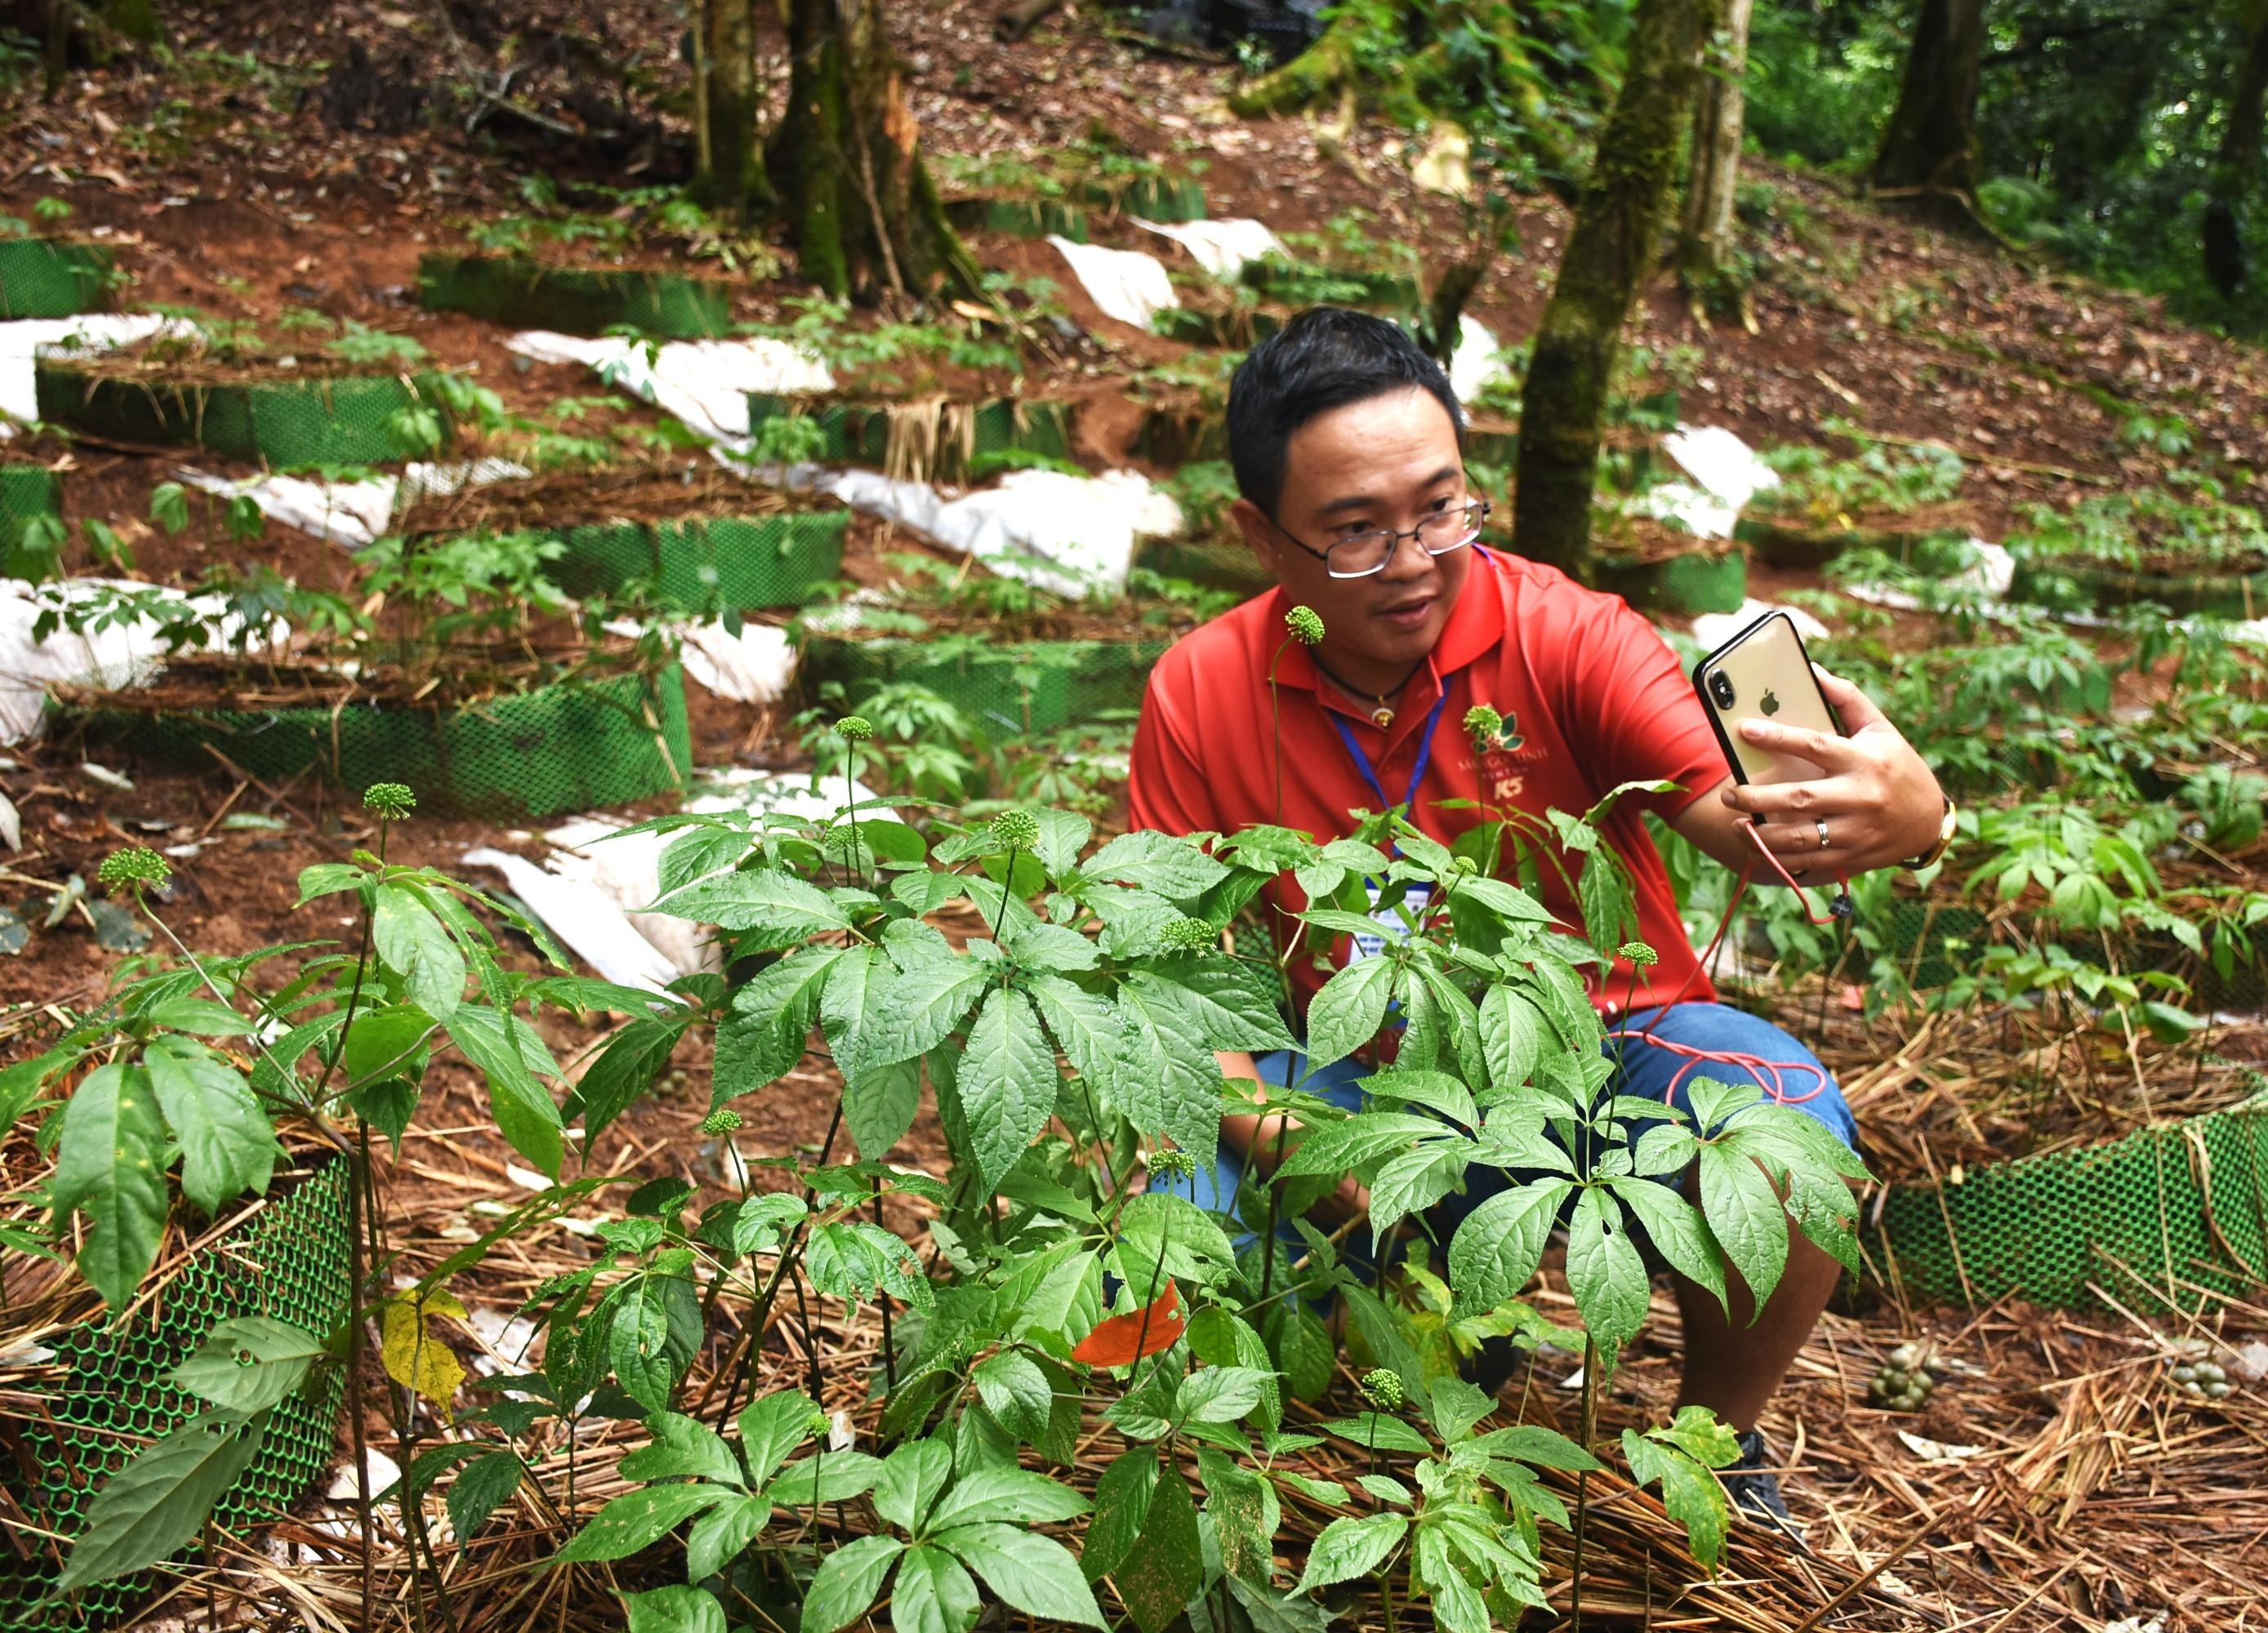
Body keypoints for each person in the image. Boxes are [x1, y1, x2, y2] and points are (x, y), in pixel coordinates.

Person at [1125, 308, 1952, 1532]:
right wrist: (1303, 1150)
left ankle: (1720, 1444)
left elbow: (1738, 816)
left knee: (1782, 1129)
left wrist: (1902, 809)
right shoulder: (1200, 689)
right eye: (1354, 530)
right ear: (1261, 536)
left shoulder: (1566, 632)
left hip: (1601, 1057)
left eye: (1439, 509)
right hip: (1352, 1087)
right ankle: (1393, 1383)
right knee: (1174, 1201)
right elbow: (1164, 995)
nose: (1410, 560)